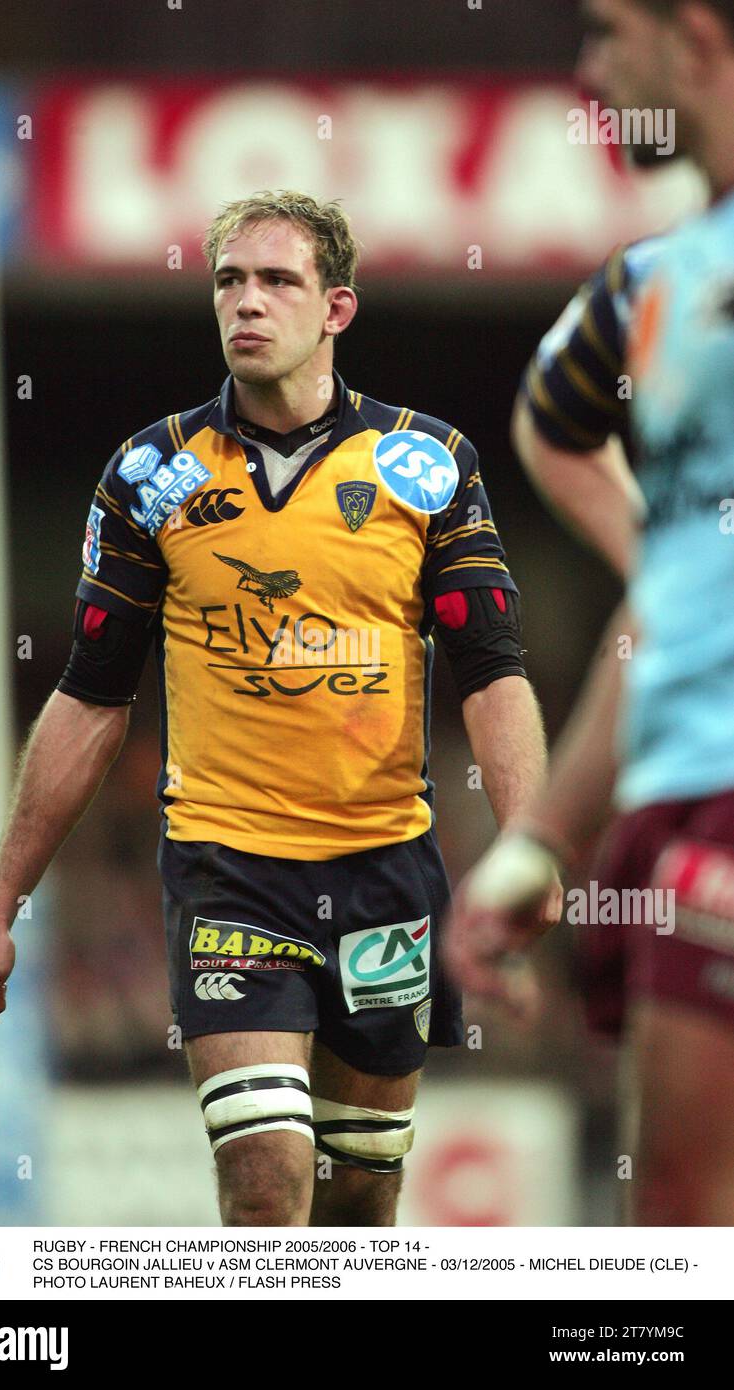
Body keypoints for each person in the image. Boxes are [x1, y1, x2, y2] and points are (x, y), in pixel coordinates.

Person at [0, 190, 557, 1227]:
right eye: (229, 280)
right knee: (269, 1179)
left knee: (361, 1195)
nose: (246, 301)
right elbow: (92, 697)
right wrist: (1, 904)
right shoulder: (153, 474)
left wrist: (530, 848)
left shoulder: (426, 462)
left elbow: (492, 673)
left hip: (386, 870)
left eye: (277, 280)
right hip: (228, 871)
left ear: (337, 309)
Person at [446, 0, 734, 1224]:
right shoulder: (658, 283)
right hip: (670, 784)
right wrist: (538, 843)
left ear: (697, 35)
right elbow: (550, 428)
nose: (587, 68)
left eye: (610, 30)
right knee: (669, 1215)